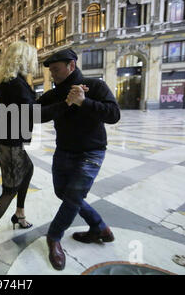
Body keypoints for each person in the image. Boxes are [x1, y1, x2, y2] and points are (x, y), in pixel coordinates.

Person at [0, 41, 69, 263]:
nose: (34, 63)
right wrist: (66, 104)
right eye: (32, 58)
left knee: (29, 169)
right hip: (9, 140)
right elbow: (34, 114)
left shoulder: (11, 82)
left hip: (6, 136)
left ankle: (19, 214)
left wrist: (54, 98)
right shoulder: (16, 84)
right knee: (9, 189)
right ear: (24, 59)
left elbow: (30, 105)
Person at [39, 48, 120, 270]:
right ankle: (99, 227)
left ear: (71, 66)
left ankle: (54, 237)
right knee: (62, 192)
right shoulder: (55, 94)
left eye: (56, 70)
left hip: (91, 152)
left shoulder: (94, 86)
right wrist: (66, 103)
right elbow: (34, 114)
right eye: (51, 71)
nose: (52, 75)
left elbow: (114, 114)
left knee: (73, 195)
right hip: (64, 151)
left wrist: (84, 102)